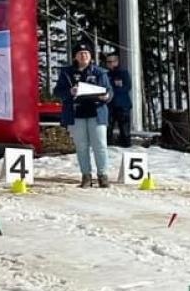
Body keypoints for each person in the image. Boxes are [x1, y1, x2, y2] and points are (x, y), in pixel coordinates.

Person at [54, 40, 113, 187]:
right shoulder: (67, 73)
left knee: (100, 144)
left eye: (86, 53)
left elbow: (109, 90)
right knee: (81, 146)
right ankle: (86, 176)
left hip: (96, 113)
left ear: (91, 56)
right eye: (80, 53)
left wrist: (106, 97)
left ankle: (103, 175)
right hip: (76, 114)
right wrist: (69, 91)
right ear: (75, 56)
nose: (83, 56)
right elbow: (58, 91)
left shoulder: (99, 72)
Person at [103, 49, 133, 147]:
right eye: (108, 62)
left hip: (122, 105)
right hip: (109, 106)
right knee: (107, 130)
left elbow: (127, 87)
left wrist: (112, 92)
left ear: (117, 61)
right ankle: (109, 148)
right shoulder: (105, 74)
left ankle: (126, 146)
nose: (110, 64)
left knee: (124, 130)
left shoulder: (123, 73)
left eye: (112, 61)